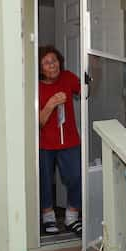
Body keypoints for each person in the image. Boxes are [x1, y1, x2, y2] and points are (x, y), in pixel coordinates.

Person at [39, 46, 82, 236]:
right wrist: (51, 104)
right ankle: (48, 218)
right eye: (47, 63)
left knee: (75, 177)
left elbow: (86, 92)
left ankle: (72, 218)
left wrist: (95, 68)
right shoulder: (36, 87)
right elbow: (38, 122)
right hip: (44, 142)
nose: (52, 65)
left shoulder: (68, 77)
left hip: (70, 141)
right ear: (41, 68)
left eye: (54, 60)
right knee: (45, 180)